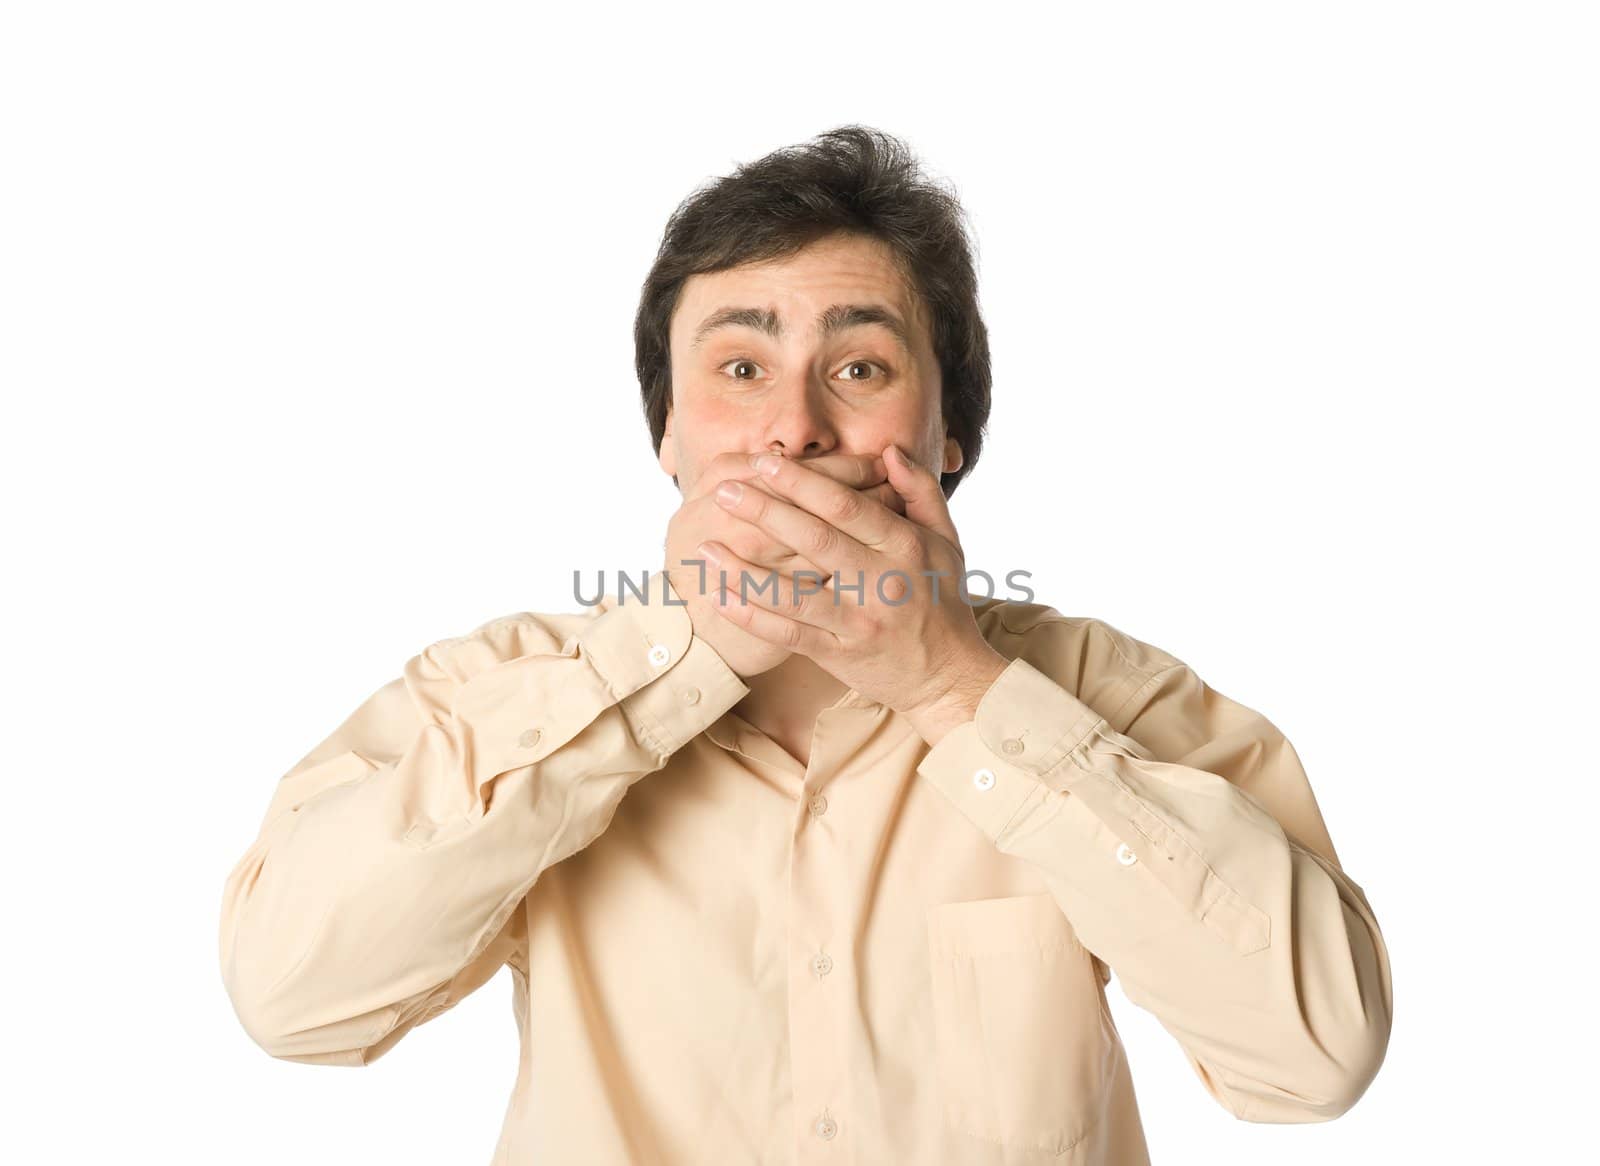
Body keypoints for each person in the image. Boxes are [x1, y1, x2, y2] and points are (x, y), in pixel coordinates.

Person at [219, 125, 1392, 1165]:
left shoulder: (1108, 696)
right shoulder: (500, 690)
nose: (793, 427)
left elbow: (1314, 1057)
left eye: (860, 368)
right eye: (739, 368)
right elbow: (294, 998)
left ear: (950, 436)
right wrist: (675, 665)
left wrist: (950, 685)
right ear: (669, 436)